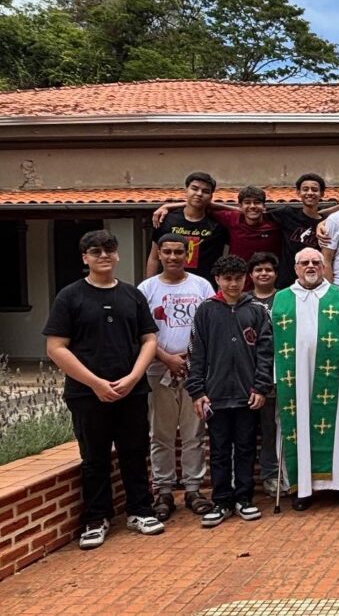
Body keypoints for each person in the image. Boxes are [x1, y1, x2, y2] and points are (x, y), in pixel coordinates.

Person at [43, 230, 163, 549]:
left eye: (109, 249)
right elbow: (56, 347)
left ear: (117, 254)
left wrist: (134, 377)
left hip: (132, 391)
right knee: (94, 458)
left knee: (135, 452)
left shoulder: (131, 295)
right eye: (95, 251)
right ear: (85, 258)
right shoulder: (70, 296)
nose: (103, 255)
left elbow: (149, 339)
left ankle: (140, 510)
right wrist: (95, 382)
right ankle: (96, 519)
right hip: (87, 394)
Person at [186, 255, 273, 527]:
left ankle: (244, 498)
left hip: (247, 394)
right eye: (227, 279)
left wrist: (260, 386)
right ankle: (222, 500)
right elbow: (196, 353)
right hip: (216, 395)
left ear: (245, 279)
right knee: (220, 449)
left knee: (247, 448)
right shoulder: (206, 310)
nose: (233, 284)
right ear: (218, 280)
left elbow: (265, 352)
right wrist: (197, 391)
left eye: (238, 278)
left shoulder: (256, 310)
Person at [271, 248, 339, 511]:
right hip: (293, 378)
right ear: (296, 268)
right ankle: (302, 487)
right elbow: (272, 341)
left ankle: (338, 483)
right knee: (297, 426)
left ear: (323, 267)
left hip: (333, 377)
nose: (310, 266)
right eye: (304, 263)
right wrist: (277, 375)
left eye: (315, 262)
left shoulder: (338, 294)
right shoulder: (282, 298)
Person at [137, 234, 215, 521]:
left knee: (194, 432)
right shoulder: (146, 289)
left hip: (195, 371)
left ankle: (194, 489)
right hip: (159, 370)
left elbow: (209, 326)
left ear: (187, 254)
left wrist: (190, 357)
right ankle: (164, 490)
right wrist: (166, 357)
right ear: (159, 255)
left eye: (178, 252)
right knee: (161, 433)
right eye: (166, 252)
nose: (172, 257)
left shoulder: (201, 285)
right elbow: (141, 332)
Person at [146, 172, 228, 285]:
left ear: (211, 196)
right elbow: (154, 257)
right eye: (194, 188)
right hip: (168, 286)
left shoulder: (218, 225)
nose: (199, 194)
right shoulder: (165, 220)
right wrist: (149, 287)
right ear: (186, 190)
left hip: (204, 289)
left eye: (205, 191)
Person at [248, 252, 282, 496]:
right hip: (246, 374)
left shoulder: (285, 299)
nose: (263, 273)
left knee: (270, 429)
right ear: (251, 275)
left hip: (276, 373)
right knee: (245, 430)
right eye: (258, 269)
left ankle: (271, 475)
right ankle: (241, 478)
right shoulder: (243, 301)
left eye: (268, 269)